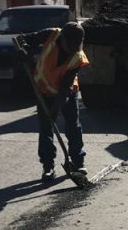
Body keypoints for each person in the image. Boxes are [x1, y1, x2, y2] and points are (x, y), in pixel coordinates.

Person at [14, 22, 90, 182]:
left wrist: (55, 109)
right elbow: (21, 39)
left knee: (73, 126)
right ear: (62, 39)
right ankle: (48, 167)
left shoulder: (77, 57)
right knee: (46, 129)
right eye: (70, 45)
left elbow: (64, 88)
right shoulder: (51, 34)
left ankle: (78, 163)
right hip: (43, 91)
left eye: (77, 45)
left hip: (67, 93)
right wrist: (24, 51)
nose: (73, 49)